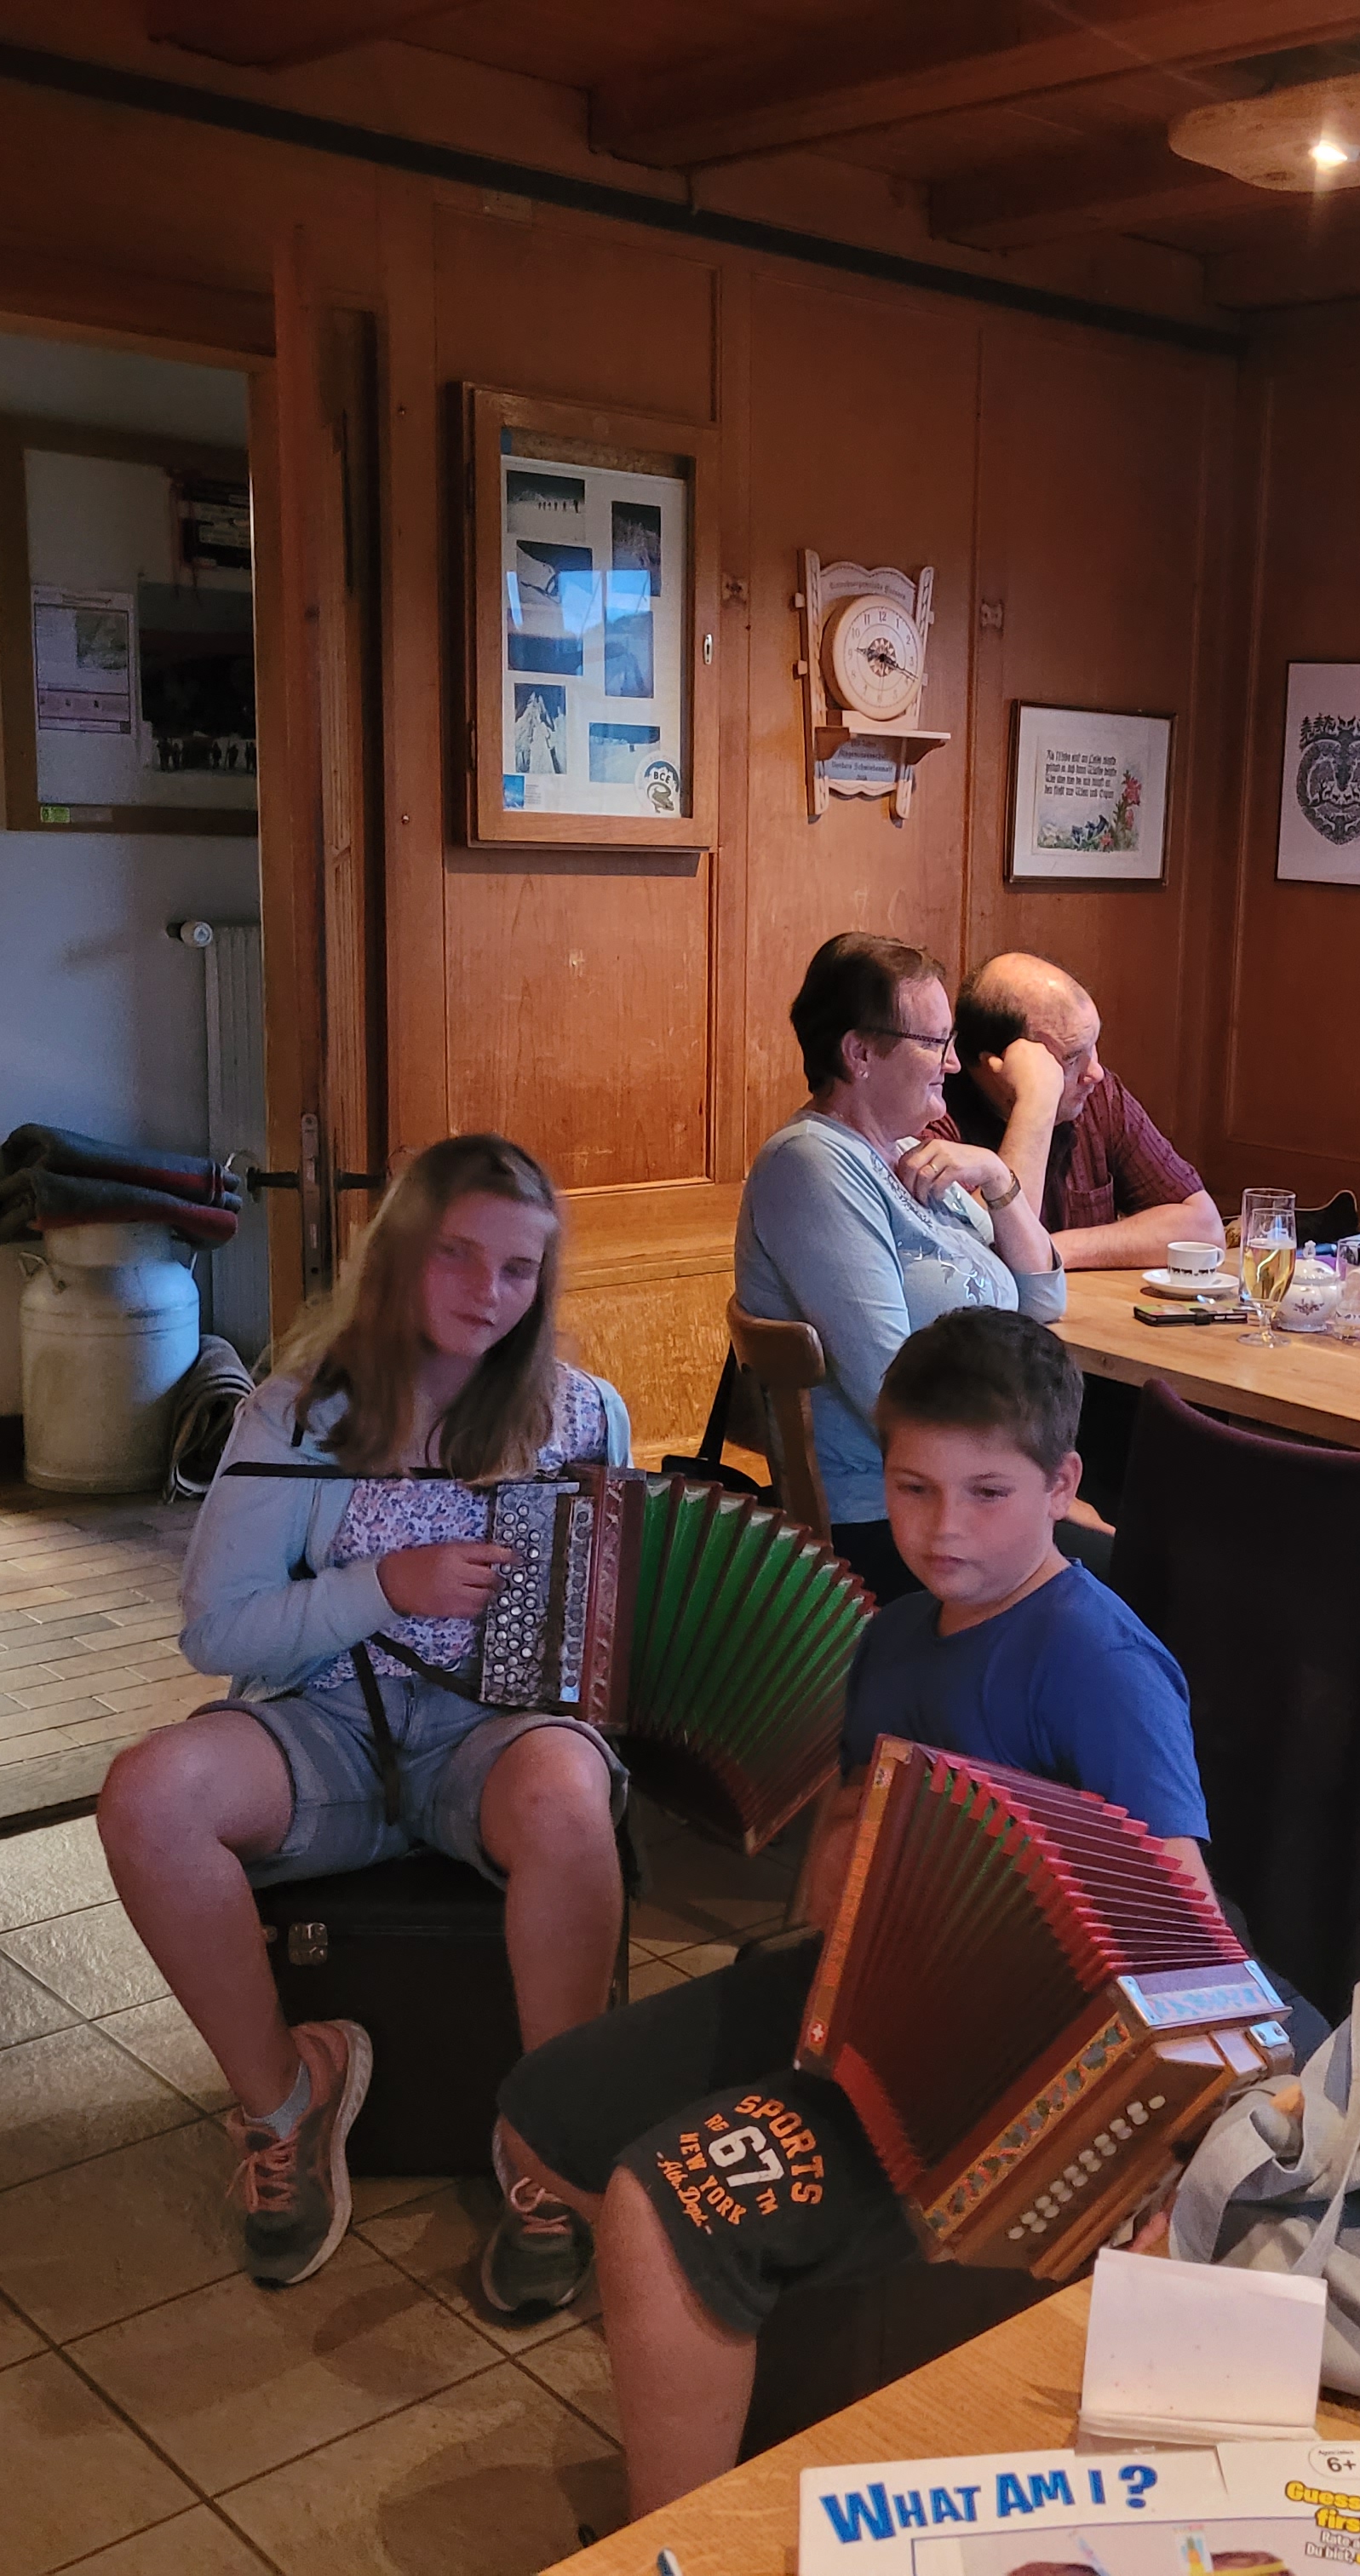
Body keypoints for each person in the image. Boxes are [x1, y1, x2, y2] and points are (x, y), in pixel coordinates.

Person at [487, 1311, 1248, 2511]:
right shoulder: (892, 1636)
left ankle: (684, 2530)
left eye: (989, 1493)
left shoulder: (1098, 1661)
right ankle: (762, 2350)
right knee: (540, 2116)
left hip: (1022, 2069)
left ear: (1063, 1486)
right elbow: (851, 1831)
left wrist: (1168, 2149)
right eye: (912, 1489)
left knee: (658, 2208)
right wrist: (836, 1878)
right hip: (870, 2003)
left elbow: (1185, 1927)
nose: (945, 1530)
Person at [100, 1134, 632, 2310]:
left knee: (568, 1795)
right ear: (398, 1254)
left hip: (500, 1733)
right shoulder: (299, 1414)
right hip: (326, 1723)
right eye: (456, 1255)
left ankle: (550, 2139)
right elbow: (218, 1632)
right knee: (148, 1795)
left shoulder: (586, 1414)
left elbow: (599, 1626)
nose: (488, 1293)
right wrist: (385, 1586)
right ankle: (287, 2097)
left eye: (518, 1269)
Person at [736, 931, 1073, 1603]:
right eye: (935, 1042)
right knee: (1149, 1579)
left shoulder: (912, 1153)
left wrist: (998, 1177)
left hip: (969, 1488)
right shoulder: (812, 1164)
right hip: (897, 1519)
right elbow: (886, 1388)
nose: (953, 1063)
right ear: (859, 1053)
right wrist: (1019, 1486)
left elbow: (1043, 1298)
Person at [924, 951, 1219, 1271]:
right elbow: (980, 1261)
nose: (1096, 1072)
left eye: (1093, 1044)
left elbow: (1203, 1228)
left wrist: (1052, 1250)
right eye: (1072, 1057)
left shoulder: (1097, 1097)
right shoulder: (932, 1114)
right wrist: (1034, 1105)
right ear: (996, 1065)